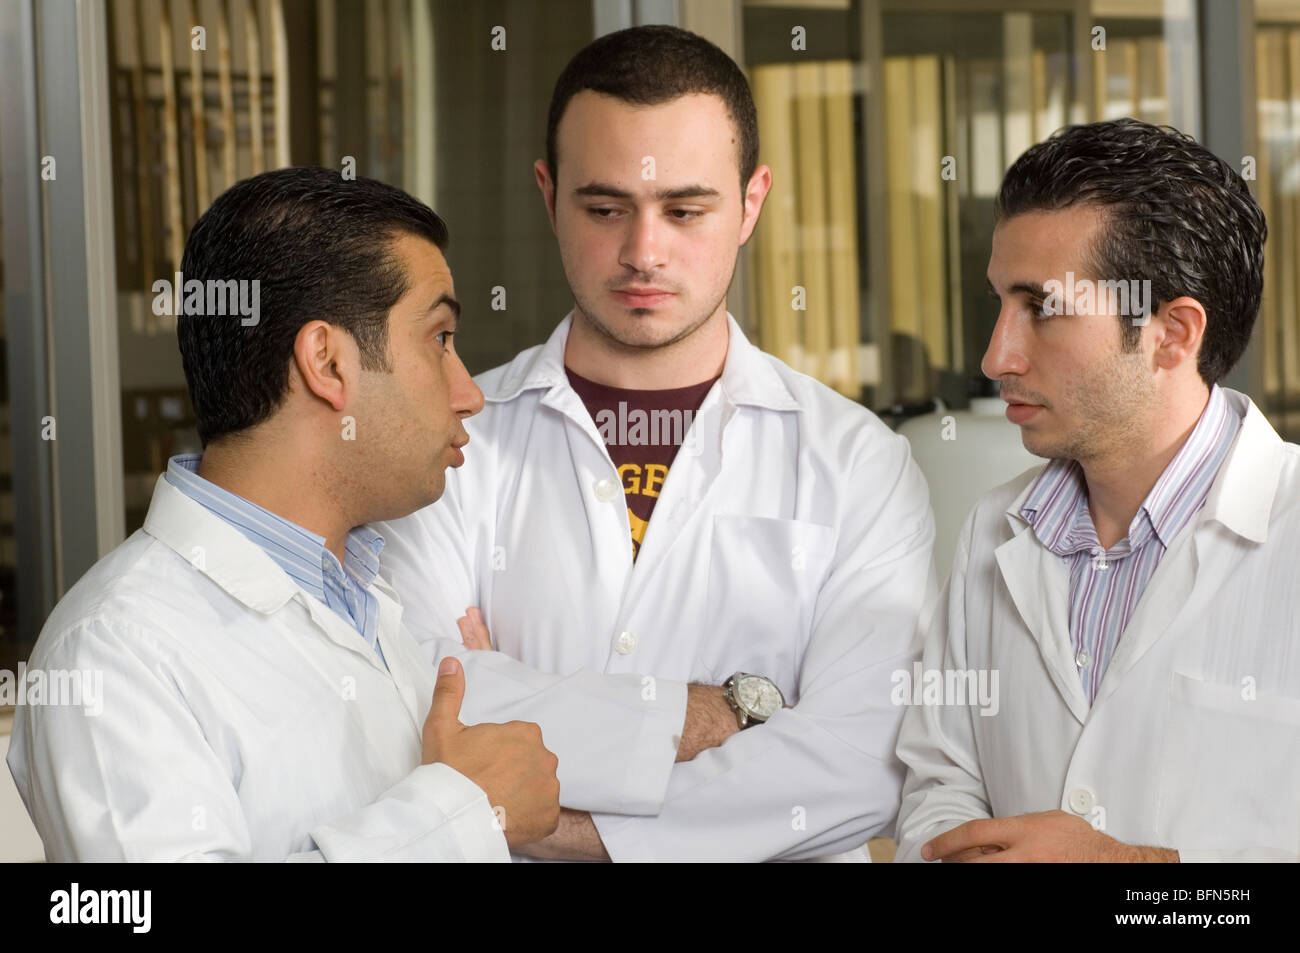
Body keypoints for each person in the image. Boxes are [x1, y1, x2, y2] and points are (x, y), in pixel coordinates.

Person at [377, 25, 936, 861]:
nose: (644, 251)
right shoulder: (449, 439)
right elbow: (415, 706)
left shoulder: (858, 462)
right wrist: (732, 715)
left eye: (685, 210)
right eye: (605, 209)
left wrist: (554, 816)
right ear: (547, 194)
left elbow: (858, 764)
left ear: (751, 202)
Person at [6, 168, 562, 861]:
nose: (468, 393)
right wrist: (462, 813)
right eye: (440, 337)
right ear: (326, 363)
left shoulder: (362, 595)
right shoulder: (114, 653)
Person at [894, 118, 1299, 863]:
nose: (995, 355)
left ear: (1172, 334)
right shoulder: (993, 530)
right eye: (999, 303)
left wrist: (1138, 874)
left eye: (1042, 308)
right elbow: (938, 777)